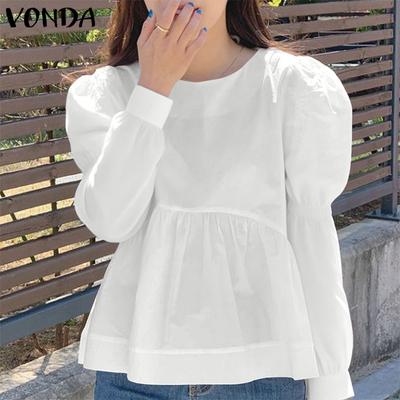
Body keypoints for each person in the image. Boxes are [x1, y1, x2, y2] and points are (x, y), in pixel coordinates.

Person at [64, 0, 355, 399]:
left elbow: (310, 235)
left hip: (263, 367)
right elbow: (112, 220)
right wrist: (153, 90)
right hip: (137, 366)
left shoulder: (292, 86)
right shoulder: (107, 93)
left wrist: (330, 378)